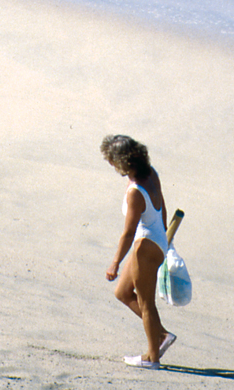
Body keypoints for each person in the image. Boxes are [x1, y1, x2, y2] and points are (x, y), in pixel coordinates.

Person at [100, 134, 177, 368]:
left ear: (123, 161)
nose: (111, 165)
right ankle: (162, 335)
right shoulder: (150, 173)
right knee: (122, 292)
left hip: (145, 247)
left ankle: (152, 358)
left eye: (112, 160)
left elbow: (128, 232)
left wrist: (115, 262)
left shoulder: (135, 192)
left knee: (146, 303)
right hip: (155, 241)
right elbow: (162, 206)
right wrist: (165, 236)